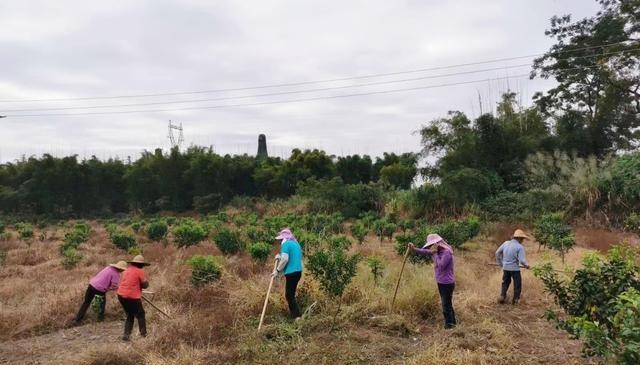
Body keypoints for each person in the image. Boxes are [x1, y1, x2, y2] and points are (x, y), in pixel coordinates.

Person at [409, 234, 456, 329]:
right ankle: (452, 323)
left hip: (446, 283)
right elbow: (425, 252)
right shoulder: (438, 251)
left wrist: (434, 254)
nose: (431, 247)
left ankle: (449, 326)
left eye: (432, 245)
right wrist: (414, 249)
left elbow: (441, 265)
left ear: (437, 243)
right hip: (441, 282)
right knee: (447, 304)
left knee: (445, 305)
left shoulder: (446, 252)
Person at [117, 255, 150, 341]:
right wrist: (145, 283)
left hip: (121, 295)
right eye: (142, 264)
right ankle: (143, 335)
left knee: (130, 315)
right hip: (132, 297)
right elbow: (145, 285)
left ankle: (126, 335)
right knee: (141, 315)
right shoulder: (139, 271)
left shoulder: (126, 271)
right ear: (140, 264)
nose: (142, 266)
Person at [272, 228, 303, 319]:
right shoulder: (296, 244)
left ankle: (297, 317)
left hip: (291, 272)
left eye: (281, 239)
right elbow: (290, 256)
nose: (280, 241)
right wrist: (279, 256)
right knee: (291, 294)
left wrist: (277, 271)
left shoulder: (285, 244)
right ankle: (294, 315)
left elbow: (285, 259)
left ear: (284, 238)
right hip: (298, 272)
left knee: (289, 295)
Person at [495, 229, 531, 305]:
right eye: (522, 239)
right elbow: (522, 260)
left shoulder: (506, 243)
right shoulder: (520, 247)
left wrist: (501, 264)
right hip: (514, 269)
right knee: (517, 284)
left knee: (505, 282)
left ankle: (502, 296)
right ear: (519, 238)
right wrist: (527, 265)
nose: (523, 240)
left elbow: (497, 253)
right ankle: (515, 301)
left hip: (505, 268)